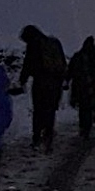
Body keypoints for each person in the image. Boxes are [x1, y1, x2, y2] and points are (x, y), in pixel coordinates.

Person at [19, 25, 68, 153]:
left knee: (38, 110)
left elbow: (28, 64)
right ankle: (48, 137)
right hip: (55, 83)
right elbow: (63, 64)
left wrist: (22, 80)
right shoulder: (53, 43)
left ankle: (36, 138)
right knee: (50, 110)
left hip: (40, 82)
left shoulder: (34, 45)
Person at [68, 36, 95, 139]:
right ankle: (87, 127)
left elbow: (70, 70)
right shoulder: (94, 56)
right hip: (90, 86)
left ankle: (83, 127)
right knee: (89, 107)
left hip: (79, 86)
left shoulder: (77, 56)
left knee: (82, 107)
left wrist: (67, 81)